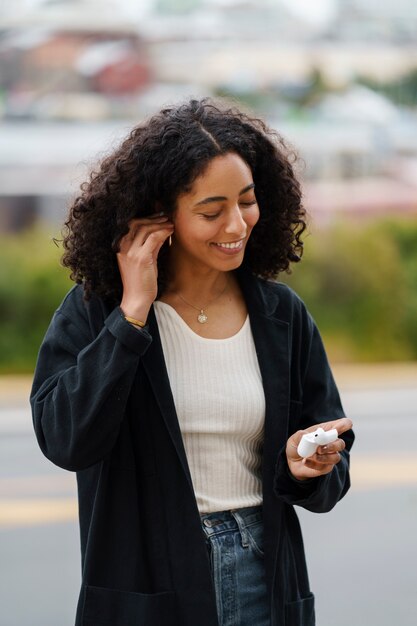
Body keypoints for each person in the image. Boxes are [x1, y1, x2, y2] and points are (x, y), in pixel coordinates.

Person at [31, 97, 354, 626]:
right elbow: (66, 440)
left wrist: (307, 468)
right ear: (162, 217)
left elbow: (330, 474)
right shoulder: (97, 311)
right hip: (149, 589)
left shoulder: (282, 316)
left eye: (247, 201)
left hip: (265, 582)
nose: (237, 224)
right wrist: (132, 316)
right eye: (211, 210)